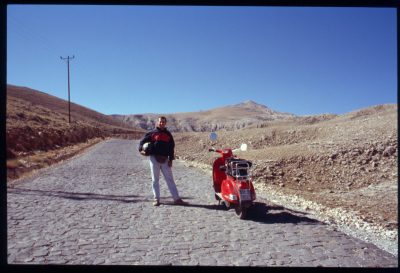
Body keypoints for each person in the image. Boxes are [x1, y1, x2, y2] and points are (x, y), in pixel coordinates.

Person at [138, 116, 187, 206]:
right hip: (154, 158)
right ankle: (156, 199)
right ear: (158, 122)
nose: (162, 123)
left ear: (165, 123)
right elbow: (142, 142)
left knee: (170, 179)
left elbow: (172, 147)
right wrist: (141, 150)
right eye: (160, 122)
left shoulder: (168, 135)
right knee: (155, 180)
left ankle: (177, 199)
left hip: (165, 159)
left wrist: (171, 159)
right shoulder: (152, 133)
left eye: (163, 122)